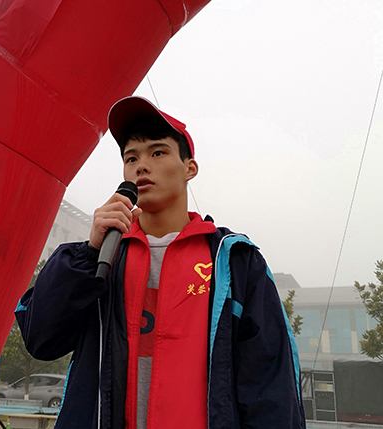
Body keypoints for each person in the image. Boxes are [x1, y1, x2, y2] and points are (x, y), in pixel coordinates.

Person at [15, 96, 305, 428]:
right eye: (131, 158)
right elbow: (40, 339)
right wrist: (90, 251)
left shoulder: (234, 261)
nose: (141, 166)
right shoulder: (101, 259)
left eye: (157, 153)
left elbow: (271, 384)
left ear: (189, 168)